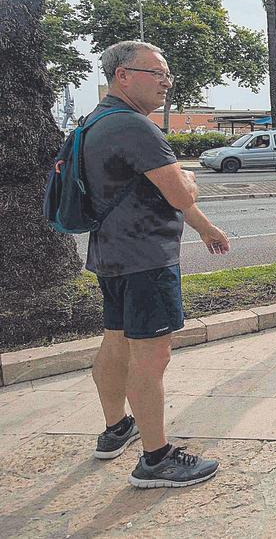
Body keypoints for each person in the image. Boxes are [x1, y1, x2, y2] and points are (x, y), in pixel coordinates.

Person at [83, 40, 231, 489]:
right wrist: (187, 179)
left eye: (168, 74)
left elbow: (147, 190)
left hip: (111, 252)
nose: (166, 81)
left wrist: (204, 228)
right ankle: (156, 459)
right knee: (151, 355)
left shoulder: (95, 121)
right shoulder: (135, 126)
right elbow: (180, 193)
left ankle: (116, 429)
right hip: (145, 257)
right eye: (157, 73)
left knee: (115, 341)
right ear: (123, 75)